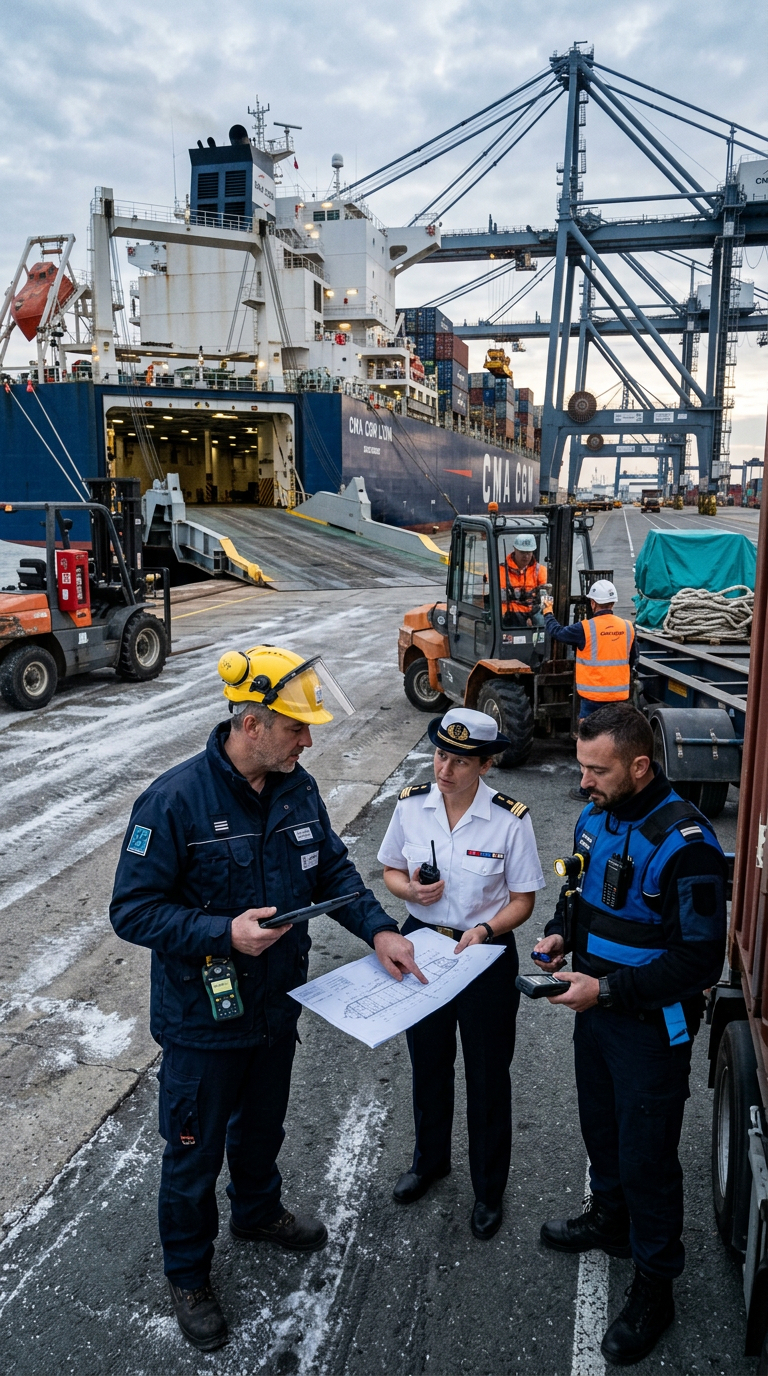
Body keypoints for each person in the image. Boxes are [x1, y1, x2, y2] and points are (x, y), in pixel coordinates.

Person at [110, 645, 422, 1353]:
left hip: (275, 1006)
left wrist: (379, 931)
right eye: (295, 728)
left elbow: (332, 869)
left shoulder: (296, 788)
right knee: (192, 1155)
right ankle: (189, 1274)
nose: (308, 740)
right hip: (202, 1021)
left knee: (262, 1128)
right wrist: (222, 931)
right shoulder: (173, 800)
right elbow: (131, 912)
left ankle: (257, 1211)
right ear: (251, 725)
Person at [532, 705, 727, 1367]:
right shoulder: (595, 816)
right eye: (583, 766)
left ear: (640, 766)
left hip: (649, 1027)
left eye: (598, 769)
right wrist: (563, 933)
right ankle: (609, 1219)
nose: (584, 781)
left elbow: (700, 961)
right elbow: (577, 890)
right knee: (601, 1128)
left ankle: (654, 1285)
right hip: (594, 1010)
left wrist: (609, 990)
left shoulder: (688, 844)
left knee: (648, 1160)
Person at [378, 706, 546, 1240]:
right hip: (423, 946)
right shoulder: (411, 807)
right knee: (428, 1065)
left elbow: (523, 900)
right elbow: (390, 870)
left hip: (485, 955)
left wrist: (488, 930)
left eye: (459, 760)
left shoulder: (509, 819)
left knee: (487, 1076)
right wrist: (411, 892)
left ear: (487, 765)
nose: (444, 769)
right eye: (440, 755)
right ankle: (430, 1163)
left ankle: (488, 1189)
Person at [541, 578, 637, 800]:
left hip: (593, 699)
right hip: (619, 699)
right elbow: (632, 660)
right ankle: (621, 788)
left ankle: (587, 790)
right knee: (616, 744)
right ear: (612, 603)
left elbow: (557, 632)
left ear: (593, 604)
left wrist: (548, 612)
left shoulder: (585, 628)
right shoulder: (628, 627)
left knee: (590, 744)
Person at [499, 532, 548, 625]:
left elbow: (545, 600)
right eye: (522, 552)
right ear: (515, 549)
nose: (525, 556)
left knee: (543, 621)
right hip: (506, 619)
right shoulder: (499, 571)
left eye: (528, 552)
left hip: (531, 616)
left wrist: (531, 616)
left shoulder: (540, 571)